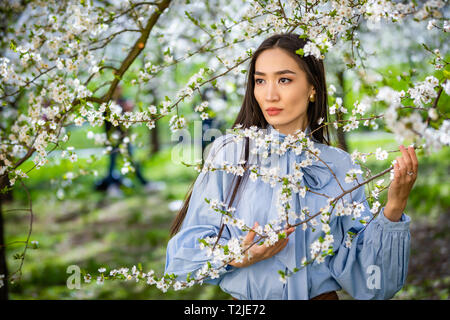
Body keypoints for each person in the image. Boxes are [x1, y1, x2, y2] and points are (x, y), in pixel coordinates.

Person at [164, 33, 417, 300]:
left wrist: (394, 208)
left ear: (312, 88)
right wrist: (236, 255)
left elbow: (373, 283)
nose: (270, 94)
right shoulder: (229, 154)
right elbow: (182, 258)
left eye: (284, 79)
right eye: (260, 80)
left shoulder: (340, 165)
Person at [95, 85, 165, 196]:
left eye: (120, 88)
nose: (119, 90)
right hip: (112, 139)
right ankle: (112, 188)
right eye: (117, 88)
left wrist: (129, 110)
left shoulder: (124, 100)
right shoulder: (106, 103)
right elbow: (104, 119)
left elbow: (129, 118)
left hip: (124, 138)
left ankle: (145, 184)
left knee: (131, 162)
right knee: (112, 164)